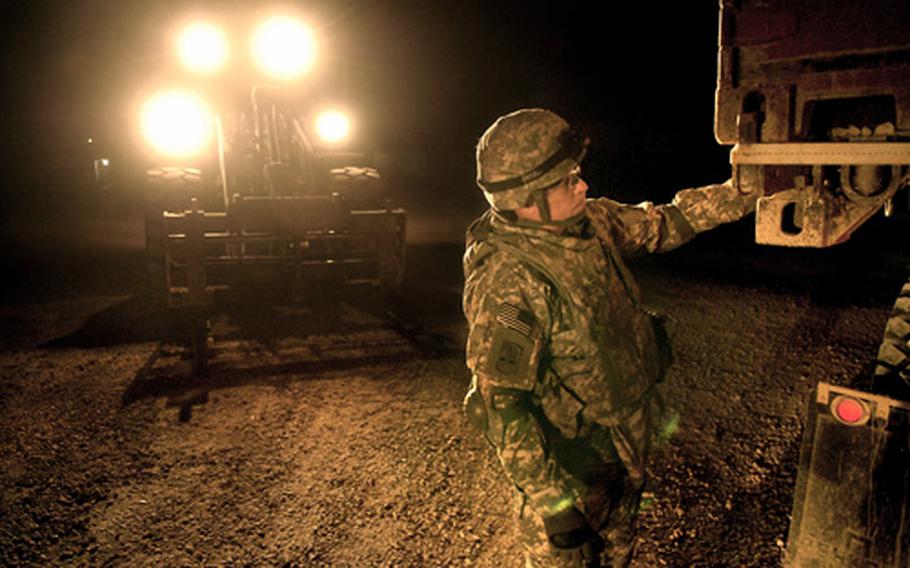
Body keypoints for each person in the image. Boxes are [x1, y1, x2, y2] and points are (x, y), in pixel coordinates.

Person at [461, 108, 756, 567]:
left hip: (620, 442)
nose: (582, 186)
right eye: (567, 182)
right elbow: (501, 406)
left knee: (618, 551)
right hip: (571, 465)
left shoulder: (592, 224)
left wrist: (745, 194)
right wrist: (553, 506)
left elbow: (666, 222)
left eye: (577, 175)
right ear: (525, 199)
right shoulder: (510, 280)